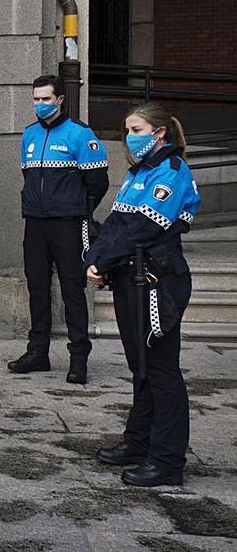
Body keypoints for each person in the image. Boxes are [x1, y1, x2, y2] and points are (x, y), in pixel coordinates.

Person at [85, 103, 199, 487]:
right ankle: (139, 442)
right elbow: (118, 224)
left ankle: (167, 462)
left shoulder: (171, 171)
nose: (130, 136)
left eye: (136, 128)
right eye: (128, 130)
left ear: (160, 132)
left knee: (162, 369)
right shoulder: (139, 174)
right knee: (142, 367)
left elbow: (143, 228)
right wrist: (97, 257)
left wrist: (102, 260)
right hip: (132, 277)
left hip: (158, 281)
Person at [9, 74, 109, 384]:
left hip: (68, 224)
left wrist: (78, 210)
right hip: (35, 223)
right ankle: (38, 352)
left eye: (45, 99)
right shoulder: (29, 134)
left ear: (60, 100)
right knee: (37, 289)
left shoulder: (80, 135)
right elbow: (30, 178)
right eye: (36, 99)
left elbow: (98, 183)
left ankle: (79, 357)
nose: (39, 105)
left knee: (72, 290)